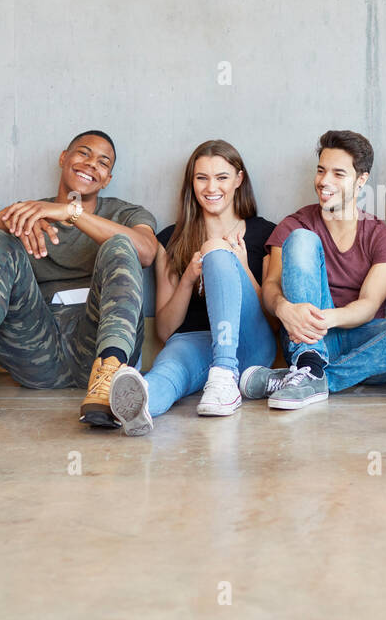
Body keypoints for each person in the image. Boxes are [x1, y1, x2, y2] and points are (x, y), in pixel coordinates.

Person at [0, 130, 158, 427]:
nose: (92, 163)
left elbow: (146, 252)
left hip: (97, 343)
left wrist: (72, 212)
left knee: (121, 243)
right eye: (83, 153)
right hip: (37, 347)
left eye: (103, 162)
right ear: (63, 158)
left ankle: (112, 377)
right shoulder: (29, 212)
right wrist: (0, 224)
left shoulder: (125, 213)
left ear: (107, 179)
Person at [238, 130, 386, 410]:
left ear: (361, 180)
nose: (324, 182)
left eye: (338, 174)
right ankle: (310, 361)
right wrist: (284, 308)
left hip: (367, 347)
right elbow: (270, 286)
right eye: (321, 171)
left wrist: (323, 319)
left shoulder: (382, 237)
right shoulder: (294, 224)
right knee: (301, 238)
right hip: (305, 338)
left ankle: (307, 378)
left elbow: (369, 306)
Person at [107, 140, 276, 434]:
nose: (211, 187)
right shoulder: (171, 239)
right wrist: (188, 278)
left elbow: (273, 320)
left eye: (222, 177)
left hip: (248, 346)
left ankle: (224, 373)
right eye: (202, 178)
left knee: (216, 249)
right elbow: (165, 331)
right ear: (191, 182)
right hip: (193, 342)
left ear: (239, 179)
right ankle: (140, 408)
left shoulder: (266, 234)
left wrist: (242, 266)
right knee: (166, 372)